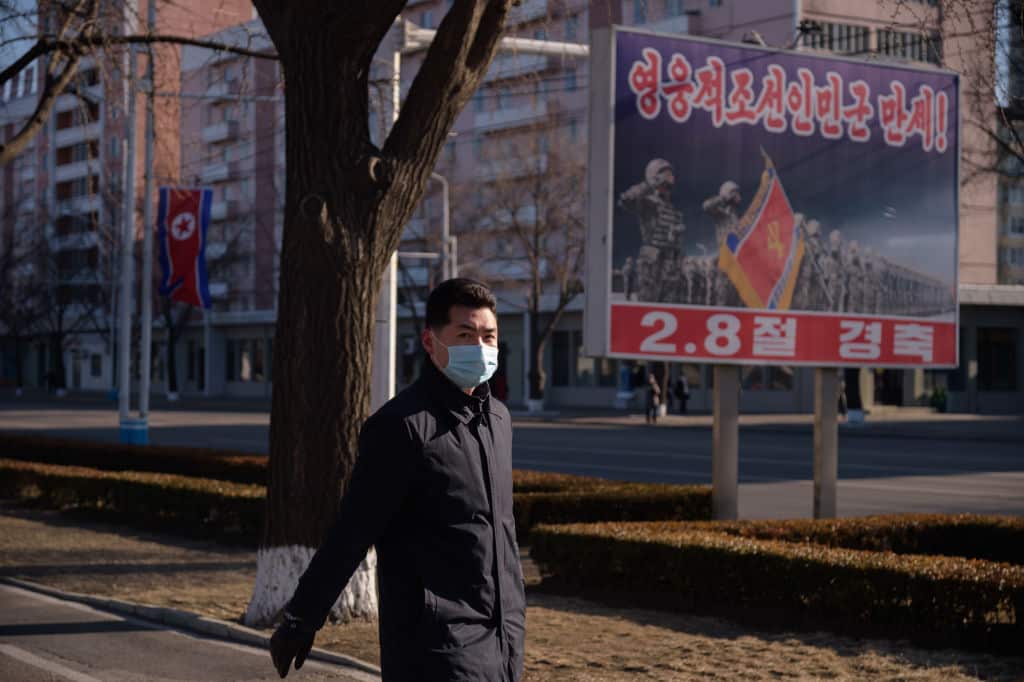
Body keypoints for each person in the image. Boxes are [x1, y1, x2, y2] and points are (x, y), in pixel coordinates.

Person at [269, 278, 526, 681]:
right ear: (430, 342)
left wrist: (513, 618)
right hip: (435, 645)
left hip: (503, 638)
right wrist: (302, 617)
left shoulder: (499, 420)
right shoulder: (401, 426)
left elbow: (500, 531)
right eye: (465, 334)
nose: (480, 347)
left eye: (488, 336)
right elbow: (353, 531)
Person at [618, 158, 686, 302]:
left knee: (670, 305)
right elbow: (625, 200)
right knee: (648, 303)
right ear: (656, 175)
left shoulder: (672, 208)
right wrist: (648, 184)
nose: (672, 176)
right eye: (667, 173)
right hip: (653, 261)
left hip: (671, 263)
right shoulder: (647, 202)